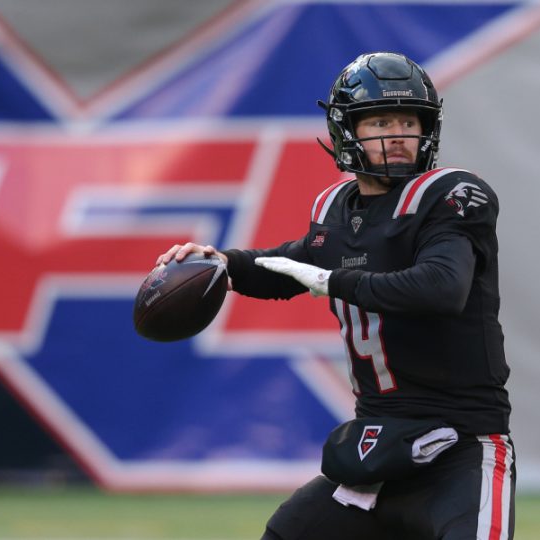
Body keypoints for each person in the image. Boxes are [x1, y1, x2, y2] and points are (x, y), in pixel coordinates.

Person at [156, 52, 515, 539]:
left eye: (409, 121)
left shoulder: (451, 195)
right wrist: (220, 263)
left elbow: (441, 287)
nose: (398, 135)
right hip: (378, 448)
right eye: (380, 121)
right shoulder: (335, 208)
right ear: (348, 131)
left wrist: (334, 282)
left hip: (462, 448)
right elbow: (289, 266)